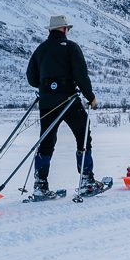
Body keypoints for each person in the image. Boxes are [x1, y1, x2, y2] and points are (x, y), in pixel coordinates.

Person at [26, 14, 102, 199]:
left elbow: (31, 78)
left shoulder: (40, 49)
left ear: (51, 30)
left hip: (47, 103)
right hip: (68, 100)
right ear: (65, 29)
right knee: (83, 136)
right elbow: (81, 75)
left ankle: (40, 185)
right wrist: (91, 97)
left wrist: (47, 86)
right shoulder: (70, 47)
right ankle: (86, 181)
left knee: (46, 141)